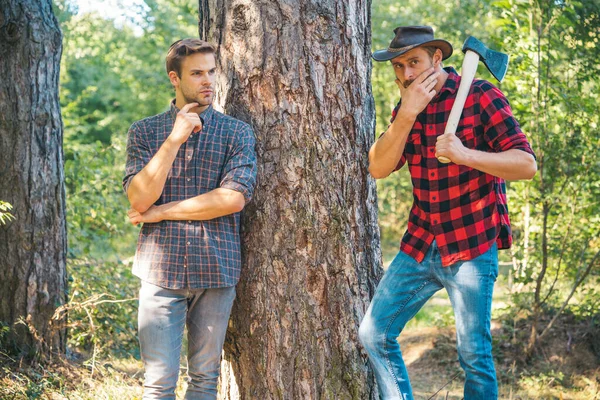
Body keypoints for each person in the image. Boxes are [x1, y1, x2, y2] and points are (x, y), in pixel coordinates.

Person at [358, 26, 536, 400]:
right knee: (374, 333)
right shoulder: (407, 107)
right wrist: (406, 115)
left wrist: (465, 154)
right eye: (399, 66)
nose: (406, 74)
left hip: (471, 244)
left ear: (437, 59)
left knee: (474, 355)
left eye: (414, 63)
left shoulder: (481, 95)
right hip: (421, 242)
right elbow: (378, 167)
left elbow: (525, 164)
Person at [123, 38, 257, 399]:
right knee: (158, 383)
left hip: (216, 270)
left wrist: (160, 212)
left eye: (211, 72)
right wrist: (174, 139)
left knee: (204, 378)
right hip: (159, 272)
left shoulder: (237, 132)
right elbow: (139, 197)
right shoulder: (145, 131)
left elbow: (232, 198)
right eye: (197, 73)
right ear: (174, 78)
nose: (207, 81)